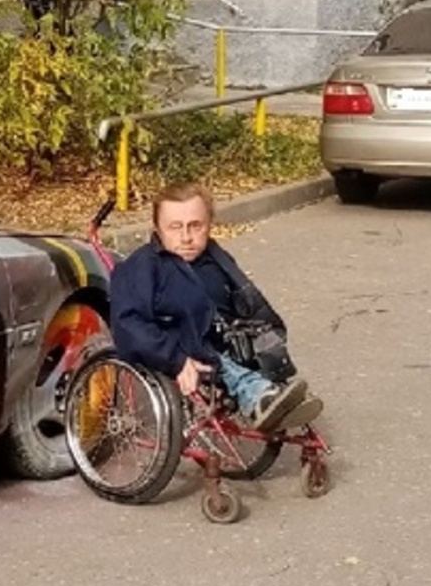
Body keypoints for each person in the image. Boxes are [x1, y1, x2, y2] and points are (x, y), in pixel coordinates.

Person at [109, 181, 324, 432]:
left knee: (257, 350)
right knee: (223, 363)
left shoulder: (215, 258)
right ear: (157, 227)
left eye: (196, 226)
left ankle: (277, 394)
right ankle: (259, 397)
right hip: (181, 344)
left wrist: (268, 332)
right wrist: (175, 360)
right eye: (175, 227)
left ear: (209, 224)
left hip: (227, 336)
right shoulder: (141, 268)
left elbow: (249, 300)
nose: (186, 237)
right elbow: (128, 325)